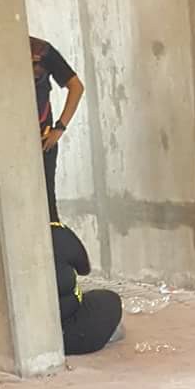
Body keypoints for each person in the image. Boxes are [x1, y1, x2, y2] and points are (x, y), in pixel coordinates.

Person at [31, 35, 84, 223]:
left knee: (48, 208)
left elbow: (76, 87)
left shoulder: (41, 50)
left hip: (43, 140)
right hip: (11, 141)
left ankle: (55, 248)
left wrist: (59, 128)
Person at [51, 223, 123, 357]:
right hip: (65, 333)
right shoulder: (58, 234)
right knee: (109, 300)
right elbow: (84, 269)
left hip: (15, 336)